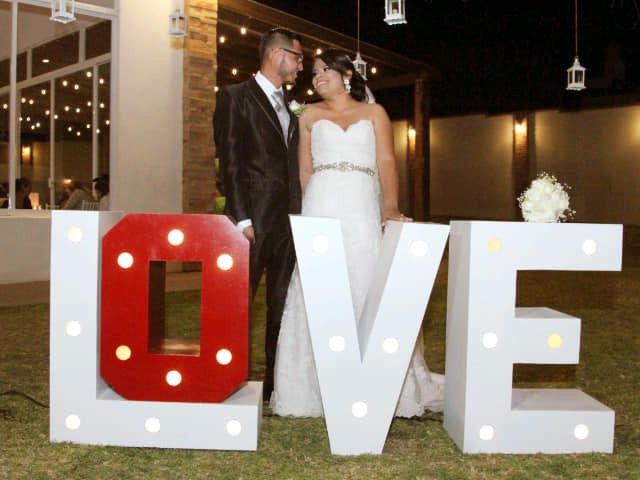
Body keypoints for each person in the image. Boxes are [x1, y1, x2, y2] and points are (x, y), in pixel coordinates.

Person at [271, 50, 445, 418]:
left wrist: (390, 206)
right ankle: (313, 388)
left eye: (324, 72)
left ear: (347, 74)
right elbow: (304, 170)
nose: (316, 78)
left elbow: (386, 161)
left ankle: (378, 379)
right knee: (319, 288)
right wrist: (307, 217)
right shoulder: (308, 116)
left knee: (366, 278)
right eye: (313, 73)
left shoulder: (374, 113)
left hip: (362, 206)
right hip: (322, 204)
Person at [213, 27, 304, 401]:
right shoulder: (235, 97)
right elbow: (230, 161)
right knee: (239, 304)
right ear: (277, 55)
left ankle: (274, 384)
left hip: (289, 221)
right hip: (253, 221)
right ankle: (227, 379)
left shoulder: (295, 106)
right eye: (297, 58)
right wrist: (242, 218)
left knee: (282, 303)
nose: (301, 66)